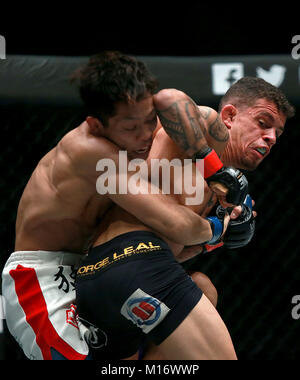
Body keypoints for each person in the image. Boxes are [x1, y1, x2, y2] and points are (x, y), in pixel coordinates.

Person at [1, 51, 241, 360]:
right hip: (42, 280)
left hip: (92, 269)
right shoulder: (89, 152)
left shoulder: (133, 142)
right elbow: (177, 225)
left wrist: (221, 187)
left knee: (201, 289)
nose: (143, 135)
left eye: (149, 120)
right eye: (130, 127)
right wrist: (221, 228)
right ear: (96, 124)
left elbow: (192, 112)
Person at [75, 77, 295, 360]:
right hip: (134, 262)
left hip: (102, 278)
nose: (271, 138)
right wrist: (213, 166)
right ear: (229, 115)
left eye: (278, 132)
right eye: (263, 123)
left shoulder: (212, 191)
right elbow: (169, 99)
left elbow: (173, 247)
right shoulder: (210, 130)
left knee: (203, 287)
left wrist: (217, 236)